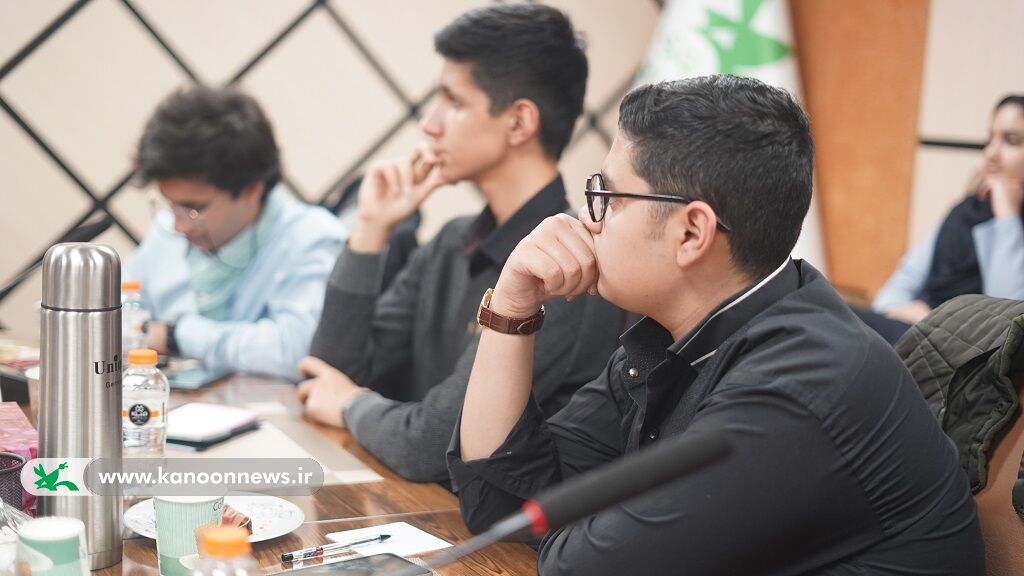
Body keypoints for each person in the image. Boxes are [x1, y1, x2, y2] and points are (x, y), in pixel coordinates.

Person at [449, 75, 985, 575]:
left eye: (607, 197)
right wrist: (512, 307)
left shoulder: (800, 384)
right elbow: (499, 502)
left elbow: (586, 567)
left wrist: (580, 523)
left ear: (691, 233)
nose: (588, 220)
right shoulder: (674, 337)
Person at [297, 3, 622, 483]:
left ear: (519, 122)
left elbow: (433, 444)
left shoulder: (565, 267)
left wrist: (351, 405)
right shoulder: (452, 241)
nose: (430, 124)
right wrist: (370, 229)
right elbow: (324, 374)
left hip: (482, 526)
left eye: (452, 101)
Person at [125, 86, 347, 381]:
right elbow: (121, 312)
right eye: (171, 205)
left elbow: (295, 350)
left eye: (194, 208)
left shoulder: (312, 238)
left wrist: (176, 335)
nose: (179, 226)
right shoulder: (168, 227)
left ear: (251, 189)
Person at [871, 94, 1024, 337]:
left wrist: (1007, 215)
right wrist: (907, 313)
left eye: (1011, 141)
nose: (992, 153)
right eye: (990, 139)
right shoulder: (966, 210)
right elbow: (895, 290)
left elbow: (1009, 325)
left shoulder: (1012, 227)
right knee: (833, 316)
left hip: (959, 349)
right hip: (917, 333)